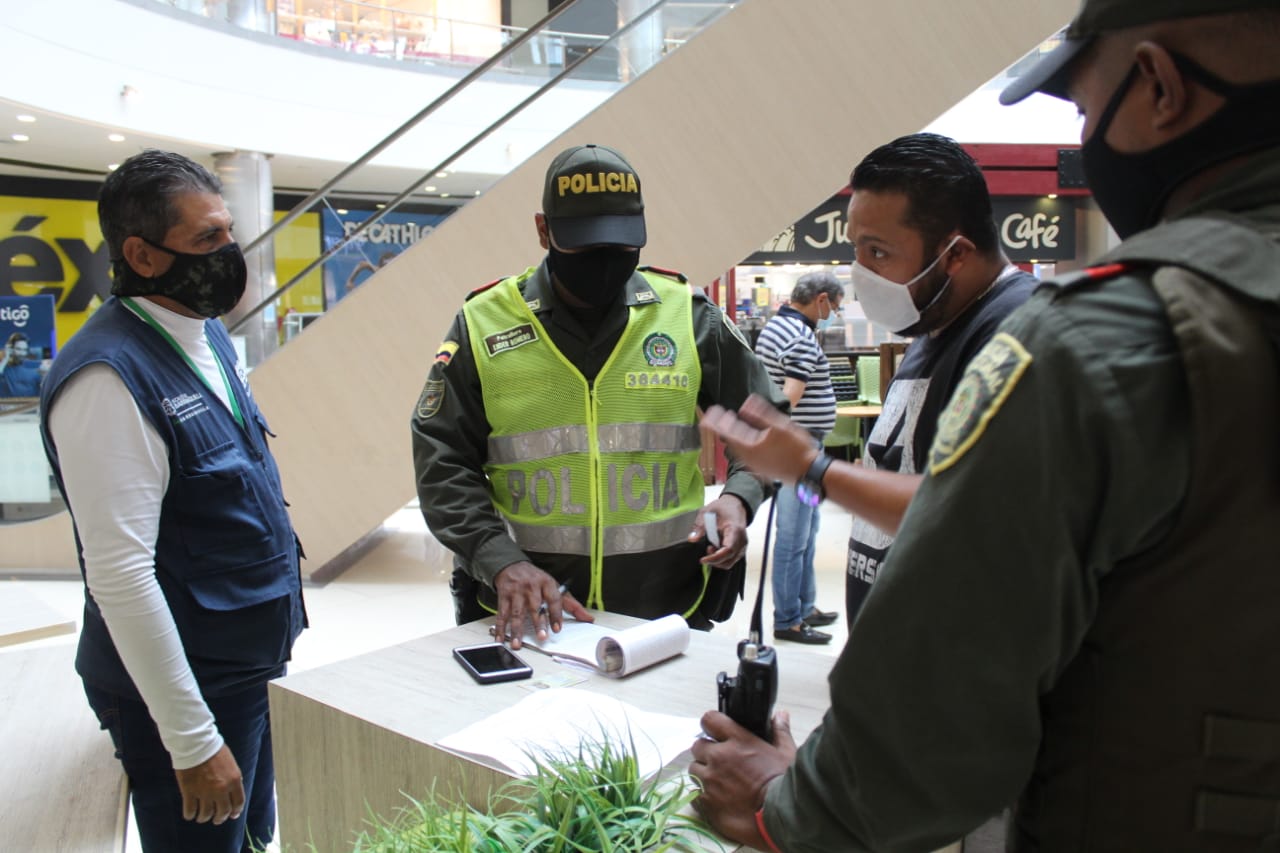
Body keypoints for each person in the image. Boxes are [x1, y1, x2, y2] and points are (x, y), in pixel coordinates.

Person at [689, 2, 1280, 851]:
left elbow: (938, 716)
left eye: (1082, 109)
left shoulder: (1090, 340)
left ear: (1158, 85)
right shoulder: (942, 339)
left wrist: (784, 805)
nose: (860, 278)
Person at [411, 143, 784, 647]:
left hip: (667, 610)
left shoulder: (688, 317)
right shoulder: (484, 323)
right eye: (586, 248)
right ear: (544, 231)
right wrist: (499, 560)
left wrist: (740, 498)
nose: (607, 263)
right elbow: (442, 458)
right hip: (531, 614)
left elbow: (766, 428)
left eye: (623, 246)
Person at [39, 150, 306, 853]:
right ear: (141, 254)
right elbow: (121, 574)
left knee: (249, 834)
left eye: (229, 232)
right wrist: (191, 738)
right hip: (185, 693)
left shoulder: (203, 333)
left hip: (241, 668)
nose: (230, 253)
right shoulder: (107, 380)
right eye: (207, 239)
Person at [838, 133, 1037, 626]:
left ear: (955, 254)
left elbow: (964, 512)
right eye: (856, 248)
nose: (859, 272)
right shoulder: (933, 319)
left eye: (878, 252)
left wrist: (811, 471)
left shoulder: (1017, 331)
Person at [753, 271, 845, 644]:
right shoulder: (800, 335)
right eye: (834, 306)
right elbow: (789, 396)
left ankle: (805, 607)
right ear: (820, 299)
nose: (833, 314)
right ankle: (788, 618)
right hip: (801, 451)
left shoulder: (778, 327)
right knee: (794, 533)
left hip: (802, 448)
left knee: (808, 527)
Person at [0, 331, 46, 397]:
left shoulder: (35, 366)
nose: (22, 353)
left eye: (24, 350)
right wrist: (6, 358)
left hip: (32, 405)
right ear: (10, 349)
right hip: (10, 405)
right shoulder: (4, 368)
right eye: (18, 349)